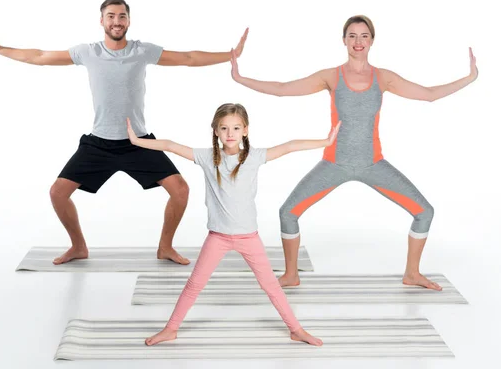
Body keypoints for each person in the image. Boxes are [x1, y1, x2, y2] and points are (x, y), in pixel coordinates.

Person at [0, 0, 249, 265]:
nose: (116, 21)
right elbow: (40, 56)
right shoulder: (88, 52)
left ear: (129, 21)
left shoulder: (141, 51)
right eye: (111, 16)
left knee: (180, 190)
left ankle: (165, 247)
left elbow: (188, 58)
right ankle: (78, 246)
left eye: (122, 16)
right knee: (57, 192)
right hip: (99, 144)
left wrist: (231, 55)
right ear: (101, 21)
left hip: (139, 143)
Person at [230, 15, 478, 291]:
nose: (358, 41)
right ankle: (290, 275)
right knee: (288, 212)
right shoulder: (331, 76)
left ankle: (412, 273)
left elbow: (429, 94)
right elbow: (282, 90)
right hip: (334, 163)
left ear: (372, 40)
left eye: (363, 36)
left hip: (373, 164)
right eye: (352, 36)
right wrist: (241, 79)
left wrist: (469, 78)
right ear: (344, 40)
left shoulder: (382, 78)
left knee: (424, 211)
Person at [126, 103, 341, 346]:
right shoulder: (206, 157)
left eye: (236, 128)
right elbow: (169, 146)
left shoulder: (254, 157)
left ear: (245, 131)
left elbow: (290, 146)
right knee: (194, 284)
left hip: (249, 237)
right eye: (224, 128)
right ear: (216, 131)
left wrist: (325, 142)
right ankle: (171, 328)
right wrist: (136, 141)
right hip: (217, 237)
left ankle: (296, 329)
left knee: (270, 286)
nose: (230, 133)